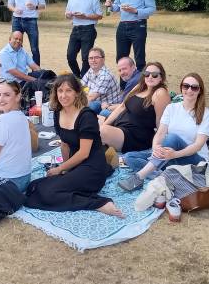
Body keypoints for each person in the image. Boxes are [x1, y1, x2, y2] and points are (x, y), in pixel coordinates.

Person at [25, 74, 124, 218]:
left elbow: (84, 153)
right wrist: (66, 169)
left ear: (77, 93)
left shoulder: (86, 116)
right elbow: (64, 145)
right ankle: (78, 190)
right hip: (75, 165)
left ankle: (99, 204)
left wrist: (60, 169)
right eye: (60, 91)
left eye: (68, 91)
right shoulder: (58, 113)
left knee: (48, 193)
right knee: (34, 188)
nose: (63, 95)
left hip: (92, 168)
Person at [118, 72, 209, 192]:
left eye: (194, 87)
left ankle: (140, 177)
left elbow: (198, 145)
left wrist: (175, 154)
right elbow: (160, 133)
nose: (189, 90)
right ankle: (165, 175)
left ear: (200, 91)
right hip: (169, 155)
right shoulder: (171, 108)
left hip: (194, 160)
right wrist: (156, 147)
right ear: (181, 88)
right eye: (186, 86)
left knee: (172, 138)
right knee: (129, 157)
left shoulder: (206, 114)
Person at [100, 62, 170, 153]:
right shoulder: (139, 87)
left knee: (101, 131)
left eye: (155, 75)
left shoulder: (160, 93)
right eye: (147, 74)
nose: (150, 77)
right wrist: (105, 124)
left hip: (135, 135)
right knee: (90, 121)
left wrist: (157, 144)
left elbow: (161, 122)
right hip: (120, 126)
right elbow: (122, 107)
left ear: (161, 78)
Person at [104, 0, 156, 78]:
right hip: (123, 25)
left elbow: (152, 8)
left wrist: (136, 11)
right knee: (121, 59)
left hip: (139, 25)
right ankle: (124, 87)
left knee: (140, 59)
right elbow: (117, 6)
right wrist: (111, 6)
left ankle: (142, 88)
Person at [65, 0, 103, 78]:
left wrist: (85, 16)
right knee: (70, 56)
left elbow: (99, 16)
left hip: (88, 29)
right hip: (76, 28)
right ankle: (78, 77)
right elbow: (67, 14)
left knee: (86, 58)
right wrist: (68, 15)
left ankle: (84, 78)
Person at [7, 0, 46, 65]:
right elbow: (9, 5)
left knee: (34, 48)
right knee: (15, 46)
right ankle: (17, 69)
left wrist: (34, 6)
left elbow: (43, 5)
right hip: (17, 20)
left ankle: (37, 73)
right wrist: (14, 9)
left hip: (31, 20)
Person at [81, 47, 121, 114]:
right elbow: (81, 86)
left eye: (96, 57)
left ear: (103, 59)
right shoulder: (91, 70)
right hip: (97, 103)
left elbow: (92, 97)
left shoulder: (105, 75)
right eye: (91, 58)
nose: (93, 60)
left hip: (109, 107)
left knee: (90, 106)